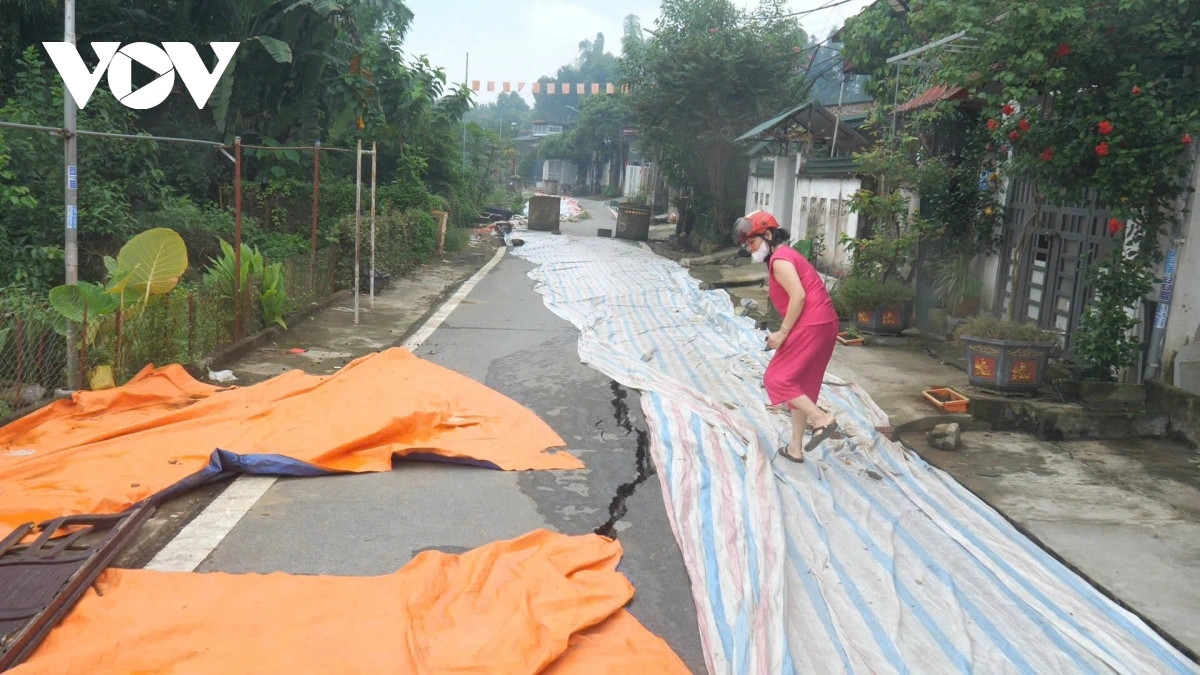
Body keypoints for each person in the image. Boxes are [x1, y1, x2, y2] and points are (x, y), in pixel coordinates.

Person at [734, 215, 840, 463]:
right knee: (801, 387)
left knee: (776, 379)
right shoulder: (788, 255)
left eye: (752, 243)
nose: (750, 249)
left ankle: (822, 419)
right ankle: (795, 449)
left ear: (768, 236)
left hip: (810, 324)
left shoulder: (780, 260)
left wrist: (782, 332)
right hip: (825, 324)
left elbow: (799, 297)